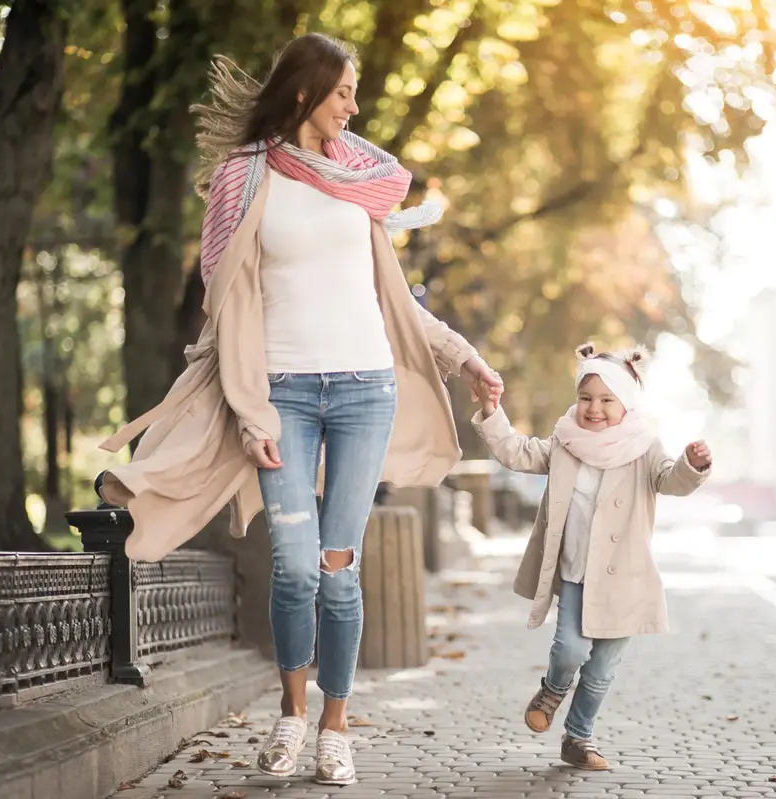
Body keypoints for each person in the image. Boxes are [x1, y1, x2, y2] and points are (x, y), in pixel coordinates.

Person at [94, 33, 503, 786]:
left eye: (353, 93)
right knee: (293, 568)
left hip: (364, 390)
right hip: (281, 394)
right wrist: (249, 411)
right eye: (343, 91)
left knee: (338, 571)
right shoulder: (244, 180)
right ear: (305, 92)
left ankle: (335, 728)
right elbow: (229, 309)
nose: (354, 106)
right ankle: (289, 717)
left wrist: (464, 354)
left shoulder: (356, 179)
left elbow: (395, 302)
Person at [470, 343, 710, 770]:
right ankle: (552, 688)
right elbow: (516, 451)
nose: (594, 409)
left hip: (626, 580)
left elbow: (669, 479)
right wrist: (492, 412)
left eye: (606, 400)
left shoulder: (644, 446)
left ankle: (578, 739)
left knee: (600, 672)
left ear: (626, 405)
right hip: (576, 573)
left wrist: (691, 467)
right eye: (585, 398)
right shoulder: (565, 443)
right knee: (569, 651)